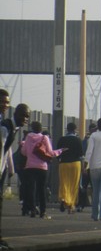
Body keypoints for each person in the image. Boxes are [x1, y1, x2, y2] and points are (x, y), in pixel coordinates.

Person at [0, 98, 30, 248]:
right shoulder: (5, 128)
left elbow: (7, 151)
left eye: (28, 117)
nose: (26, 119)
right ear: (16, 114)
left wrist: (10, 168)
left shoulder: (13, 128)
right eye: (24, 116)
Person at [21, 121, 54, 219]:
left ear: (32, 128)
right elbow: (50, 152)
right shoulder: (45, 138)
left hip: (30, 166)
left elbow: (24, 152)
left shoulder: (28, 137)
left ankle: (32, 210)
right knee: (41, 189)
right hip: (42, 167)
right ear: (41, 129)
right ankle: (43, 211)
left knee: (31, 188)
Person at [56, 121, 84, 214]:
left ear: (67, 129)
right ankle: (71, 205)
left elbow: (58, 153)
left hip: (64, 163)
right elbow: (81, 154)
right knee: (74, 184)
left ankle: (63, 198)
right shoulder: (78, 140)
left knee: (64, 183)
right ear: (75, 129)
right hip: (75, 164)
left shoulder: (62, 139)